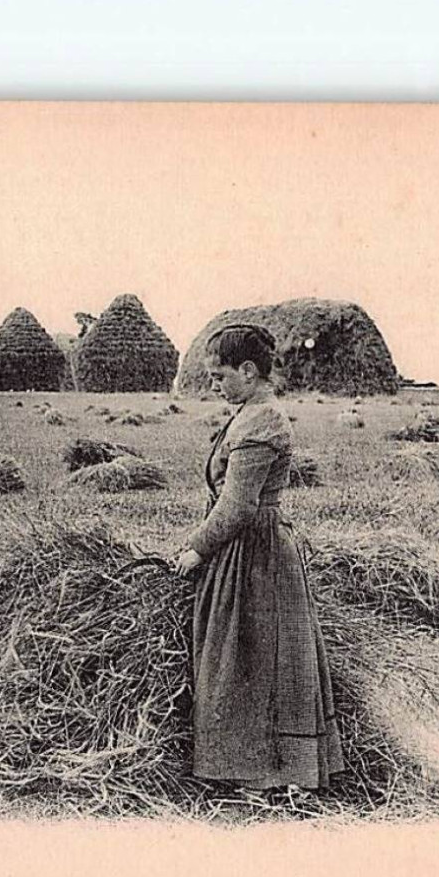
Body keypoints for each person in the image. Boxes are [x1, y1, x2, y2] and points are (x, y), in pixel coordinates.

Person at [173, 324, 346, 793]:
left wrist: (196, 548)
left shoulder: (262, 422)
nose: (213, 384)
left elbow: (238, 507)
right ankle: (246, 768)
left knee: (252, 662)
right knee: (239, 661)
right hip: (243, 550)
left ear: (249, 372)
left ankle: (265, 776)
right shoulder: (249, 412)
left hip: (256, 555)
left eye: (219, 375)